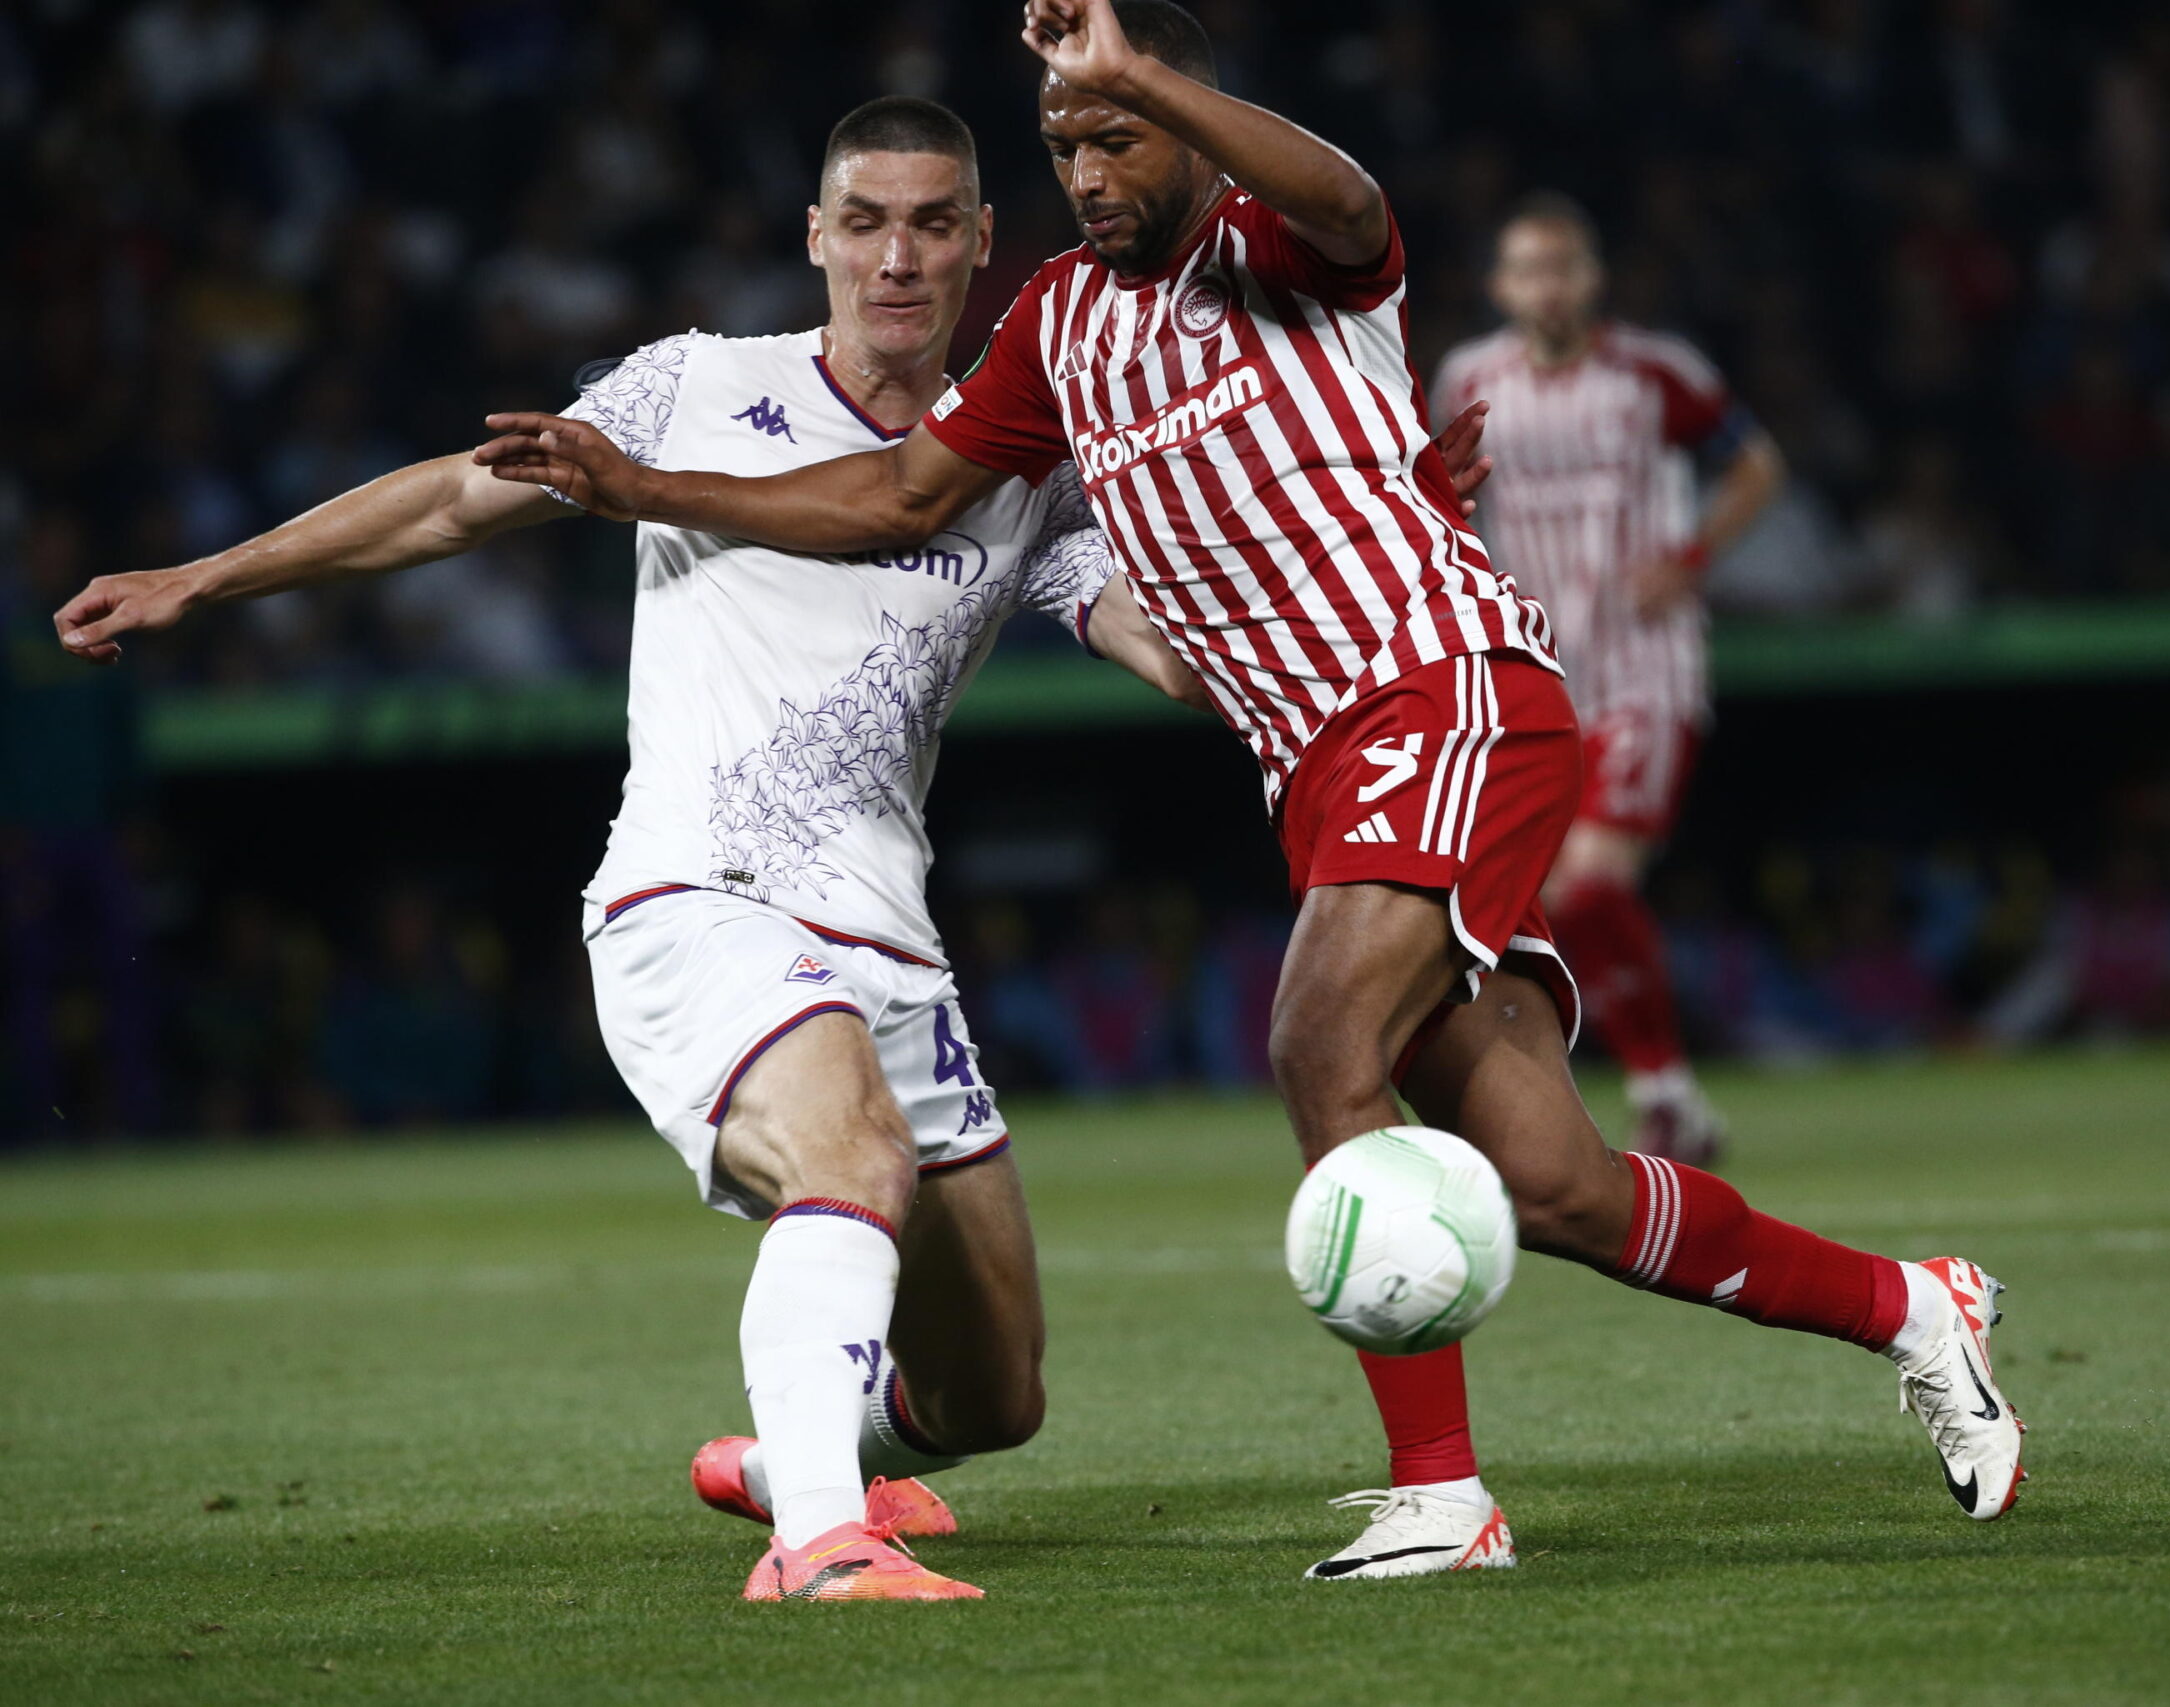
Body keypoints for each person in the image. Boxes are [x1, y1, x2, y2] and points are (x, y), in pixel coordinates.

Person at [475, 0, 2028, 1582]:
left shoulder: (1284, 249)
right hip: (1326, 765)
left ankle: (1443, 1492)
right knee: (1549, 1181)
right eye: (1067, 143)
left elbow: (1354, 206)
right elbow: (897, 494)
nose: (1089, 170)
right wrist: (651, 487)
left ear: (1189, 121)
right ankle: (1916, 1306)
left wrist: (1134, 66)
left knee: (1314, 1041)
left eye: (1119, 134)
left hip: (1448, 690)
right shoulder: (1058, 328)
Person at [56, 95, 1493, 1604]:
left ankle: (787, 1450)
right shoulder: (693, 386)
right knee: (847, 1142)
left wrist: (1361, 554)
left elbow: (1174, 646)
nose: (898, 256)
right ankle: (820, 1540)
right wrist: (206, 578)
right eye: (865, 221)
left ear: (982, 243)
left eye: (936, 223)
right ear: (813, 237)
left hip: (891, 945)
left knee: (994, 1394)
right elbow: (445, 504)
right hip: (700, 898)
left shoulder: (1024, 453)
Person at [1435, 197, 1788, 1165]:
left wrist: (1688, 557)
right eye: (1527, 269)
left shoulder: (1652, 372)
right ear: (1500, 287)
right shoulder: (1468, 377)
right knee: (1533, 905)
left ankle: (1663, 1092)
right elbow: (1432, 493)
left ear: (1592, 279)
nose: (1548, 285)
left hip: (1644, 667)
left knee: (1589, 886)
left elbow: (1756, 465)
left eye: (1565, 266)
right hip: (1533, 672)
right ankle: (1652, 1095)